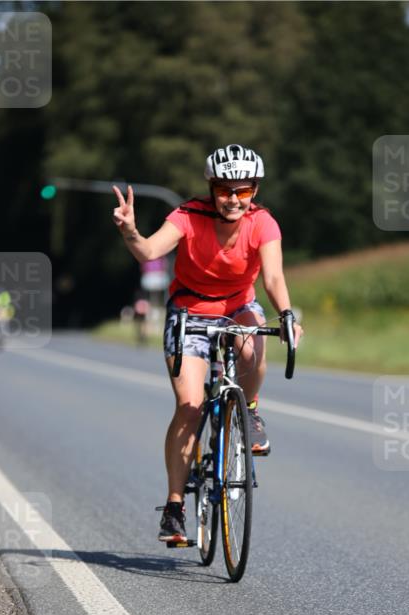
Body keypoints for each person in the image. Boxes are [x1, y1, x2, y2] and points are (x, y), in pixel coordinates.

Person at [113, 143, 304, 544]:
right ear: (211, 188)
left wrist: (286, 314)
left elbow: (272, 278)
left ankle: (249, 411)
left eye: (244, 191)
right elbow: (148, 250)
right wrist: (130, 229)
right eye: (225, 190)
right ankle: (175, 505)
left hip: (238, 306)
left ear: (254, 191)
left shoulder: (263, 223)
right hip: (189, 312)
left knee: (252, 340)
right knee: (189, 407)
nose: (234, 200)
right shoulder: (187, 216)